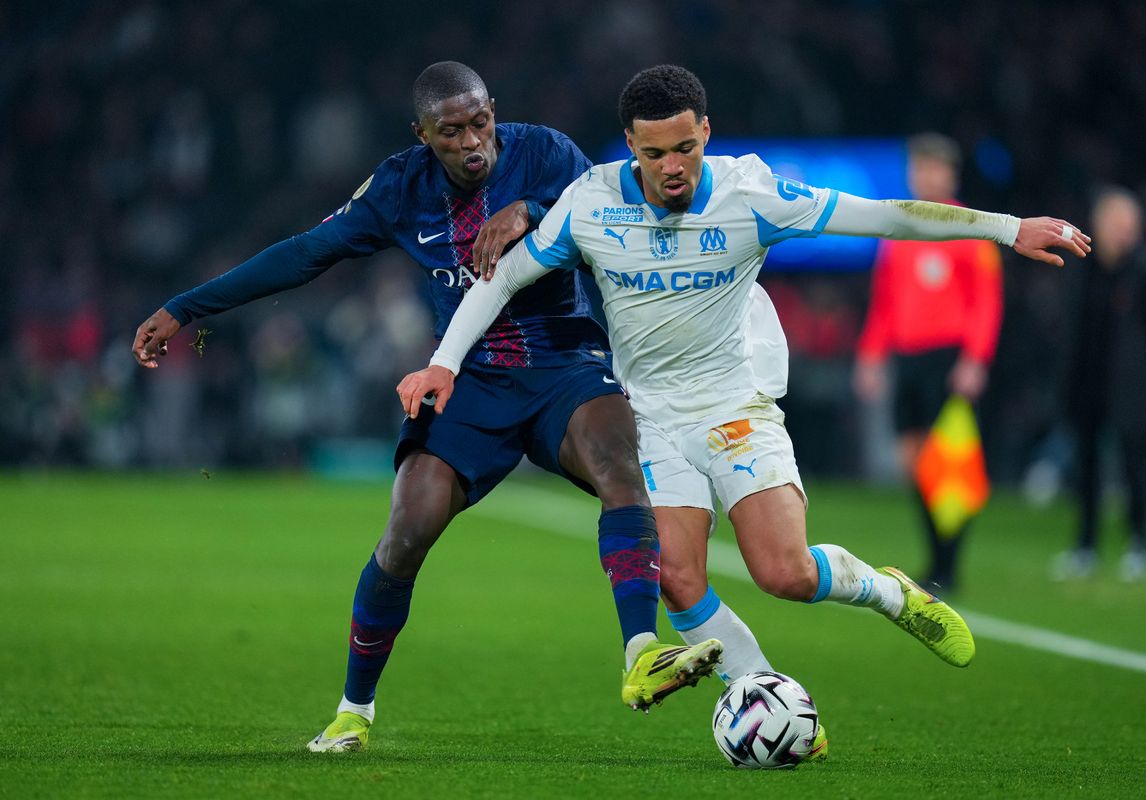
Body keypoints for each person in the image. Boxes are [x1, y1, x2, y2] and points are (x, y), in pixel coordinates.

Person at [400, 64, 1091, 756]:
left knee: (783, 573)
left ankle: (888, 591)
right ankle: (772, 706)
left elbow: (884, 216)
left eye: (684, 148)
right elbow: (503, 279)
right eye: (653, 153)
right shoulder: (592, 203)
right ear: (629, 146)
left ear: (705, 131)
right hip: (649, 418)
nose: (672, 167)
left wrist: (1007, 228)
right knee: (675, 576)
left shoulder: (751, 193)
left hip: (736, 407)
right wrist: (444, 363)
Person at [132, 61, 721, 754]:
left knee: (619, 465)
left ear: (493, 113)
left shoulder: (547, 153)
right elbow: (305, 253)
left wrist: (530, 209)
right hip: (466, 380)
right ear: (422, 135)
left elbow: (608, 212)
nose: (472, 142)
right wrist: (186, 306)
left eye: (480, 123)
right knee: (406, 533)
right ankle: (354, 711)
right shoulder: (398, 187)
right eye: (451, 132)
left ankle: (641, 655)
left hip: (566, 364)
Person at [853, 133, 1004, 592]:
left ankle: (948, 566)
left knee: (950, 464)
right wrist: (871, 355)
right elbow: (884, 303)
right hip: (908, 357)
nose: (925, 176)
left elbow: (986, 302)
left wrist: (975, 359)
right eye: (919, 168)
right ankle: (936, 559)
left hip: (948, 358)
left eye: (933, 168)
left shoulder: (972, 230)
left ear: (950, 174)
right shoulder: (898, 232)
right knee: (914, 463)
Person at [1051, 187, 1146, 582]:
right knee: (1086, 468)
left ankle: (1139, 545)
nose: (1124, 232)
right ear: (1099, 225)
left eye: (1129, 225)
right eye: (1116, 223)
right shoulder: (1082, 269)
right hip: (1088, 383)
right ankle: (1085, 546)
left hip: (1132, 389)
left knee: (1135, 465)